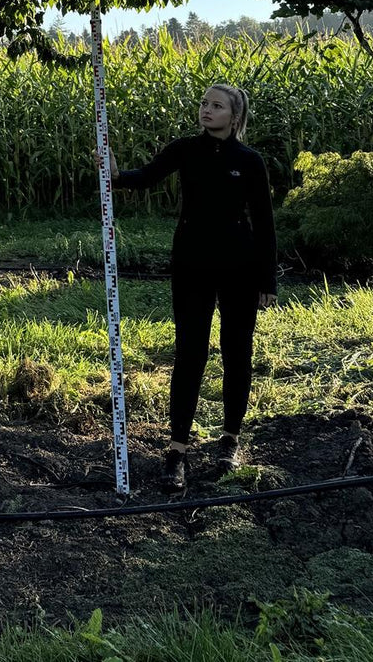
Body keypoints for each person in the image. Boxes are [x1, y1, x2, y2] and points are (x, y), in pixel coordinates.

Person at [101, 84, 278, 491]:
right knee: (190, 353)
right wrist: (114, 175)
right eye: (204, 104)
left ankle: (230, 440)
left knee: (237, 352)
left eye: (217, 106)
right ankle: (177, 450)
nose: (207, 110)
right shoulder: (185, 149)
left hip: (239, 267)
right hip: (192, 265)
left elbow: (264, 222)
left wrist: (267, 279)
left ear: (234, 116)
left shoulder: (249, 161)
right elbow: (145, 178)